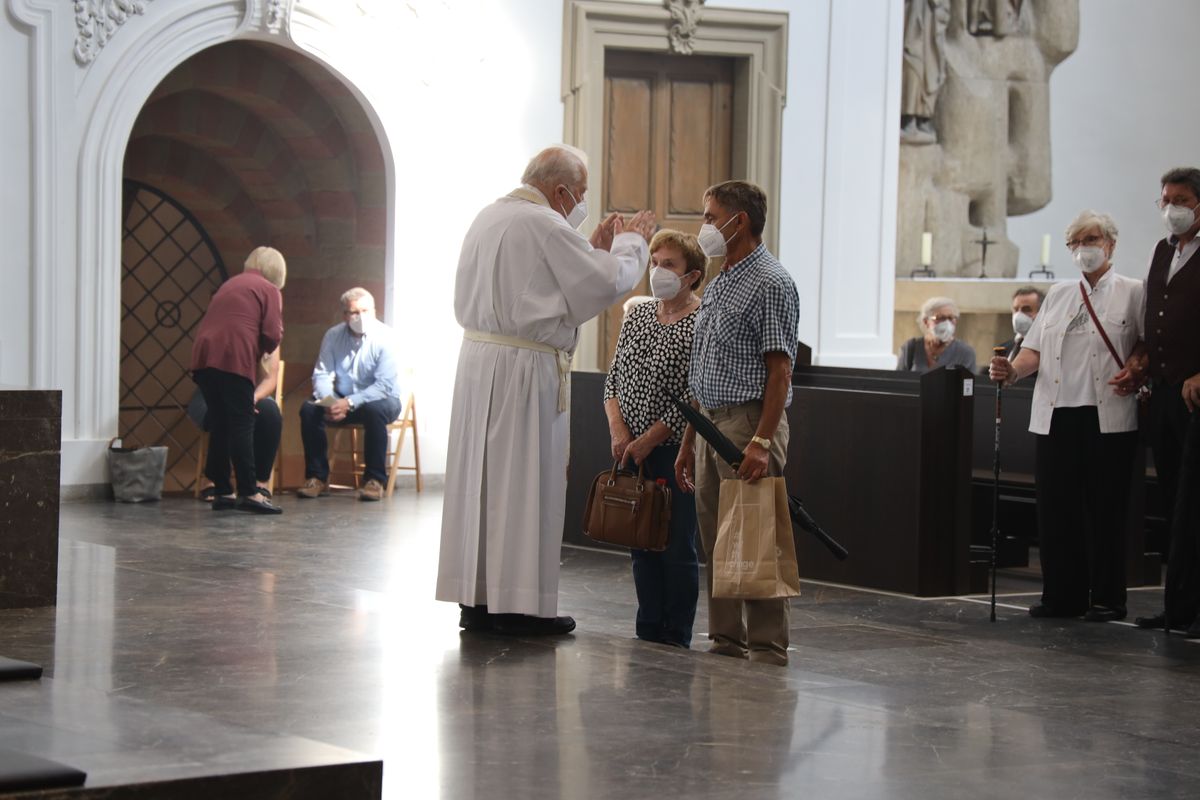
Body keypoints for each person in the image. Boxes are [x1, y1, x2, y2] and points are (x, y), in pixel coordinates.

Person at [436, 145, 657, 636]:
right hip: (524, 369)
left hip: (480, 363)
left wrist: (586, 246)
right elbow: (603, 284)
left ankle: (478, 599)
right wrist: (631, 244)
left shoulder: (489, 216)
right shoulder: (546, 225)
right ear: (559, 191)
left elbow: (543, 280)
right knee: (523, 481)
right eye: (578, 194)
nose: (580, 203)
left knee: (484, 484)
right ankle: (518, 606)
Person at [989, 210, 1143, 622]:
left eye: (1091, 240)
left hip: (1107, 414)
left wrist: (1138, 366)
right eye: (1076, 242)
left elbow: (1146, 345)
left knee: (1105, 509)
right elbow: (1034, 350)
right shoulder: (1059, 294)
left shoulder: (1133, 291)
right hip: (1057, 414)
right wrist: (1011, 372)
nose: (1083, 249)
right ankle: (1062, 595)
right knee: (1057, 509)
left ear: (1110, 244)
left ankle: (1108, 597)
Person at [674, 180, 800, 667]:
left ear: (738, 220)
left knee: (754, 533)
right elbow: (704, 370)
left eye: (709, 216)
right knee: (717, 536)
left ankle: (767, 645)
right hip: (709, 421)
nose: (704, 226)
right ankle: (727, 639)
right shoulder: (723, 276)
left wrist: (763, 440)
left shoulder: (770, 281)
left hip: (748, 422)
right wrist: (688, 442)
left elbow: (780, 371)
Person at [603, 229, 704, 648]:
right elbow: (614, 378)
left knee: (676, 543)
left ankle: (675, 631)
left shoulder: (701, 319)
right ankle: (647, 626)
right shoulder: (638, 315)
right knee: (640, 541)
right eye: (655, 262)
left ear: (692, 275)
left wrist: (649, 439)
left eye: (669, 265)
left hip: (671, 450)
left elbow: (694, 392)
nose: (658, 271)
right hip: (629, 449)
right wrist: (619, 430)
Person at [1121, 168, 1200, 637]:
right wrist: (1141, 360)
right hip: (1166, 391)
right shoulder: (1162, 250)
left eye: (1182, 199)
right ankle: (1179, 606)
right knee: (1173, 497)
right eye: (1165, 199)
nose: (1171, 207)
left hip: (1196, 392)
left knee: (1195, 500)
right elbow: (1157, 314)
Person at [190, 246, 286, 514]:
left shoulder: (231, 284)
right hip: (232, 355)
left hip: (204, 355)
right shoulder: (268, 289)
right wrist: (264, 349)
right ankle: (248, 491)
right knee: (242, 423)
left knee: (221, 422)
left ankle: (222, 488)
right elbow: (272, 333)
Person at [297, 288, 401, 502]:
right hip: (341, 399)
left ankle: (374, 480)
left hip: (381, 400)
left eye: (365, 311)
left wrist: (349, 403)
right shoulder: (333, 336)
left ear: (374, 311)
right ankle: (317, 477)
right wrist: (331, 402)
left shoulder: (386, 337)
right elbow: (323, 374)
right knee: (308, 409)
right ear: (344, 315)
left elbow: (383, 385)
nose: (360, 317)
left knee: (374, 410)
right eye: (354, 312)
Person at [191, 347, 283, 500]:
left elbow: (270, 379)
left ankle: (259, 483)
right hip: (214, 393)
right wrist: (240, 403)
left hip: (254, 393)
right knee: (226, 411)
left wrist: (251, 400)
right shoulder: (227, 333)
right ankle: (215, 481)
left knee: (269, 412)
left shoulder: (270, 338)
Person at [897, 297, 976, 373]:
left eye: (951, 318)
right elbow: (899, 380)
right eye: (940, 318)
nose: (947, 323)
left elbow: (969, 384)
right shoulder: (911, 348)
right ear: (926, 322)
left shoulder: (965, 352)